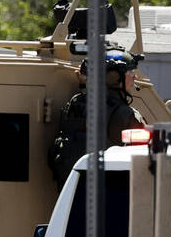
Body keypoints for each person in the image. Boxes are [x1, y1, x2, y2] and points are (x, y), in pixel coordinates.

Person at [48, 50, 146, 189]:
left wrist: (83, 86)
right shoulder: (125, 115)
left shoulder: (76, 102)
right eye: (130, 73)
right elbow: (144, 161)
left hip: (72, 195)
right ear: (114, 78)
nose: (135, 77)